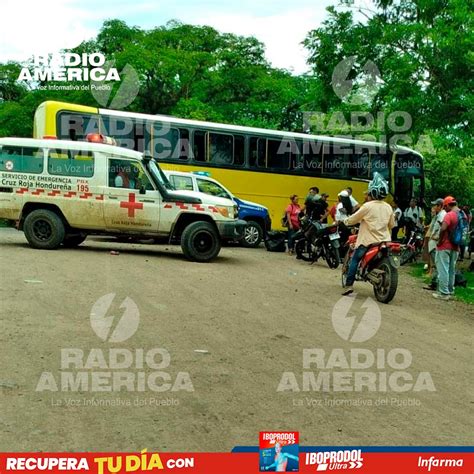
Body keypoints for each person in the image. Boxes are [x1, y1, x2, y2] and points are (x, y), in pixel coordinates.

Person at [341, 173, 394, 295]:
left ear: (373, 193)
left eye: (369, 193)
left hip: (367, 241)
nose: (368, 195)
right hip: (384, 241)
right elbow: (391, 225)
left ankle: (349, 285)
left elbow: (353, 219)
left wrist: (345, 221)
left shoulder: (367, 206)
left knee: (355, 259)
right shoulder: (388, 207)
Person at [433, 196, 461, 300]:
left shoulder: (450, 215)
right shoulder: (462, 215)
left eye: (445, 206)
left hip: (445, 246)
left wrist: (440, 241)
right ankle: (450, 290)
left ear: (448, 205)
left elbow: (443, 228)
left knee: (443, 269)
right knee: (451, 270)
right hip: (456, 246)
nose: (445, 209)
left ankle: (444, 293)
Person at [425, 198, 446, 289]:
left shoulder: (442, 216)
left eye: (435, 205)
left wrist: (437, 237)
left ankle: (435, 283)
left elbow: (441, 229)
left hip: (436, 243)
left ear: (440, 206)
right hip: (433, 243)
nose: (434, 207)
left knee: (437, 264)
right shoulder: (438, 215)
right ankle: (434, 282)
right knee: (435, 263)